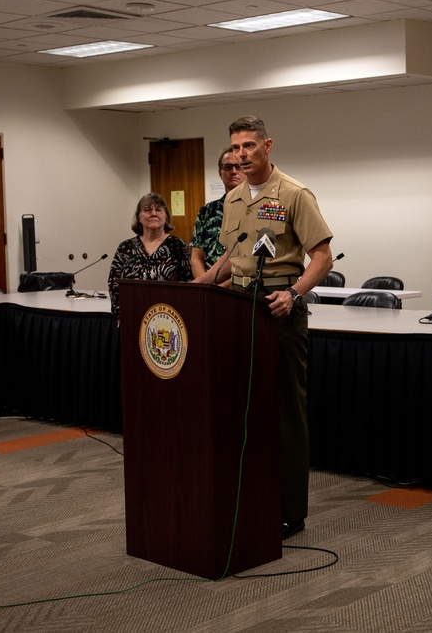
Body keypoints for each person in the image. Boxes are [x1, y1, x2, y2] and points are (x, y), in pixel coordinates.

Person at [195, 115, 334, 540]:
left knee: (284, 414)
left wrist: (294, 293)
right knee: (243, 409)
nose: (241, 155)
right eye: (235, 148)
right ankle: (251, 496)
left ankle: (291, 510)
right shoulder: (234, 198)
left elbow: (322, 257)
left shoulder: (294, 194)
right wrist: (193, 289)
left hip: (278, 312)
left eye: (249, 147)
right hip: (237, 310)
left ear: (267, 146)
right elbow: (229, 259)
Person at [108, 192, 194, 320]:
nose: (153, 213)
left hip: (169, 321)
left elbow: (188, 285)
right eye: (147, 210)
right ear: (139, 217)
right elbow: (113, 285)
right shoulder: (125, 248)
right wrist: (124, 316)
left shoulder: (178, 246)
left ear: (166, 216)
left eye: (158, 210)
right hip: (132, 318)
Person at [190, 147, 245, 276]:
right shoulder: (207, 211)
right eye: (227, 167)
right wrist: (205, 286)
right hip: (208, 289)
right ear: (220, 173)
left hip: (240, 287)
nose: (233, 171)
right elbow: (196, 257)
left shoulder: (255, 209)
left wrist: (219, 288)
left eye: (238, 167)